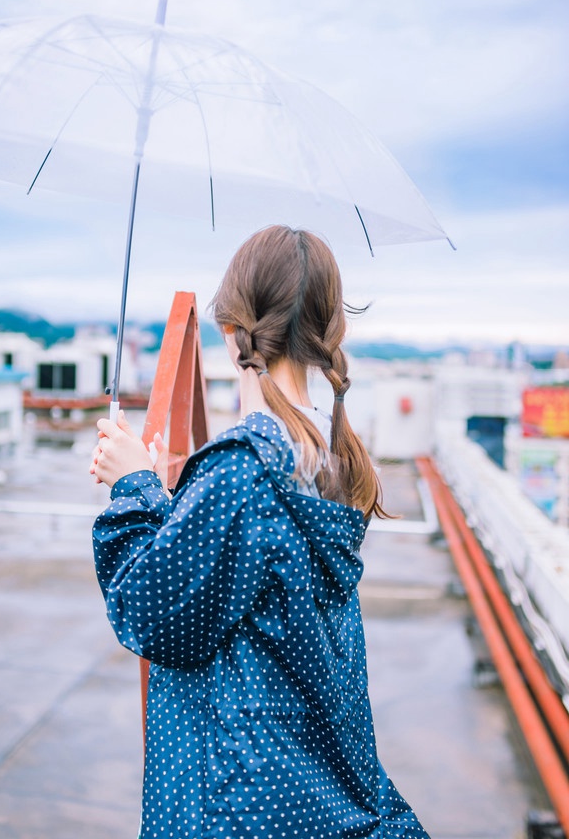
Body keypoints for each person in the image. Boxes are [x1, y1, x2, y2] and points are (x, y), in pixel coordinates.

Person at [91, 225, 430, 838]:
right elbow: (254, 585)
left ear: (230, 330)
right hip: (307, 795)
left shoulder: (246, 466)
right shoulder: (332, 457)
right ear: (328, 331)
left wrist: (134, 486)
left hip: (234, 801)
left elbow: (152, 613)